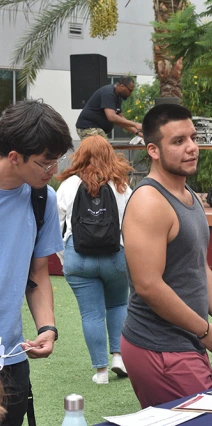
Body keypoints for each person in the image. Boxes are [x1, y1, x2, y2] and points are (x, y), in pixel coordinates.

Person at [120, 103, 212, 409]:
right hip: (160, 347)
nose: (192, 148)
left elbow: (198, 263)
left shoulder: (186, 194)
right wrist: (203, 329)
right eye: (178, 141)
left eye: (193, 137)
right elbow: (148, 285)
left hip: (184, 342)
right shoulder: (149, 202)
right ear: (153, 150)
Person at [0, 100, 73, 425]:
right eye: (45, 164)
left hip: (11, 356)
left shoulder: (43, 197)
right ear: (14, 156)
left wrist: (47, 326)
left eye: (57, 161)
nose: (53, 172)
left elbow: (37, 272)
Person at [56, 136, 133, 384]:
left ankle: (100, 372)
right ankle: (118, 357)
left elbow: (57, 227)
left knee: (91, 314)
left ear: (80, 155)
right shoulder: (122, 185)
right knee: (118, 305)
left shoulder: (68, 185)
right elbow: (132, 224)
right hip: (116, 256)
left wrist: (64, 257)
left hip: (79, 257)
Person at [75, 76, 143, 140]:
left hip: (96, 128)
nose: (130, 94)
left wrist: (138, 133)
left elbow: (121, 119)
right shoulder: (108, 93)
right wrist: (135, 124)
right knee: (104, 150)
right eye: (130, 90)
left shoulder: (118, 97)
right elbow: (111, 117)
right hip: (88, 127)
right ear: (122, 86)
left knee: (104, 151)